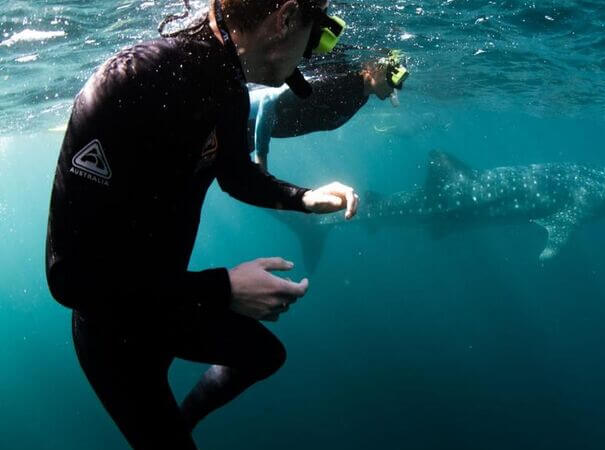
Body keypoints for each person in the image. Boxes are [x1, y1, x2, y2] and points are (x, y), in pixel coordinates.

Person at [45, 0, 360, 448]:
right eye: (317, 34)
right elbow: (69, 280)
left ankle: (178, 425)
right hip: (113, 330)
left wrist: (304, 198)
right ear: (284, 18)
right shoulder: (130, 82)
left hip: (167, 303)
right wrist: (225, 289)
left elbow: (233, 173)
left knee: (264, 356)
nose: (313, 52)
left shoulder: (226, 83)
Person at [247, 54, 398, 171]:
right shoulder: (341, 83)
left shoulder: (361, 96)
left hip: (254, 131)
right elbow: (268, 99)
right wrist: (261, 159)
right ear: (372, 68)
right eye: (391, 78)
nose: (395, 87)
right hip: (244, 120)